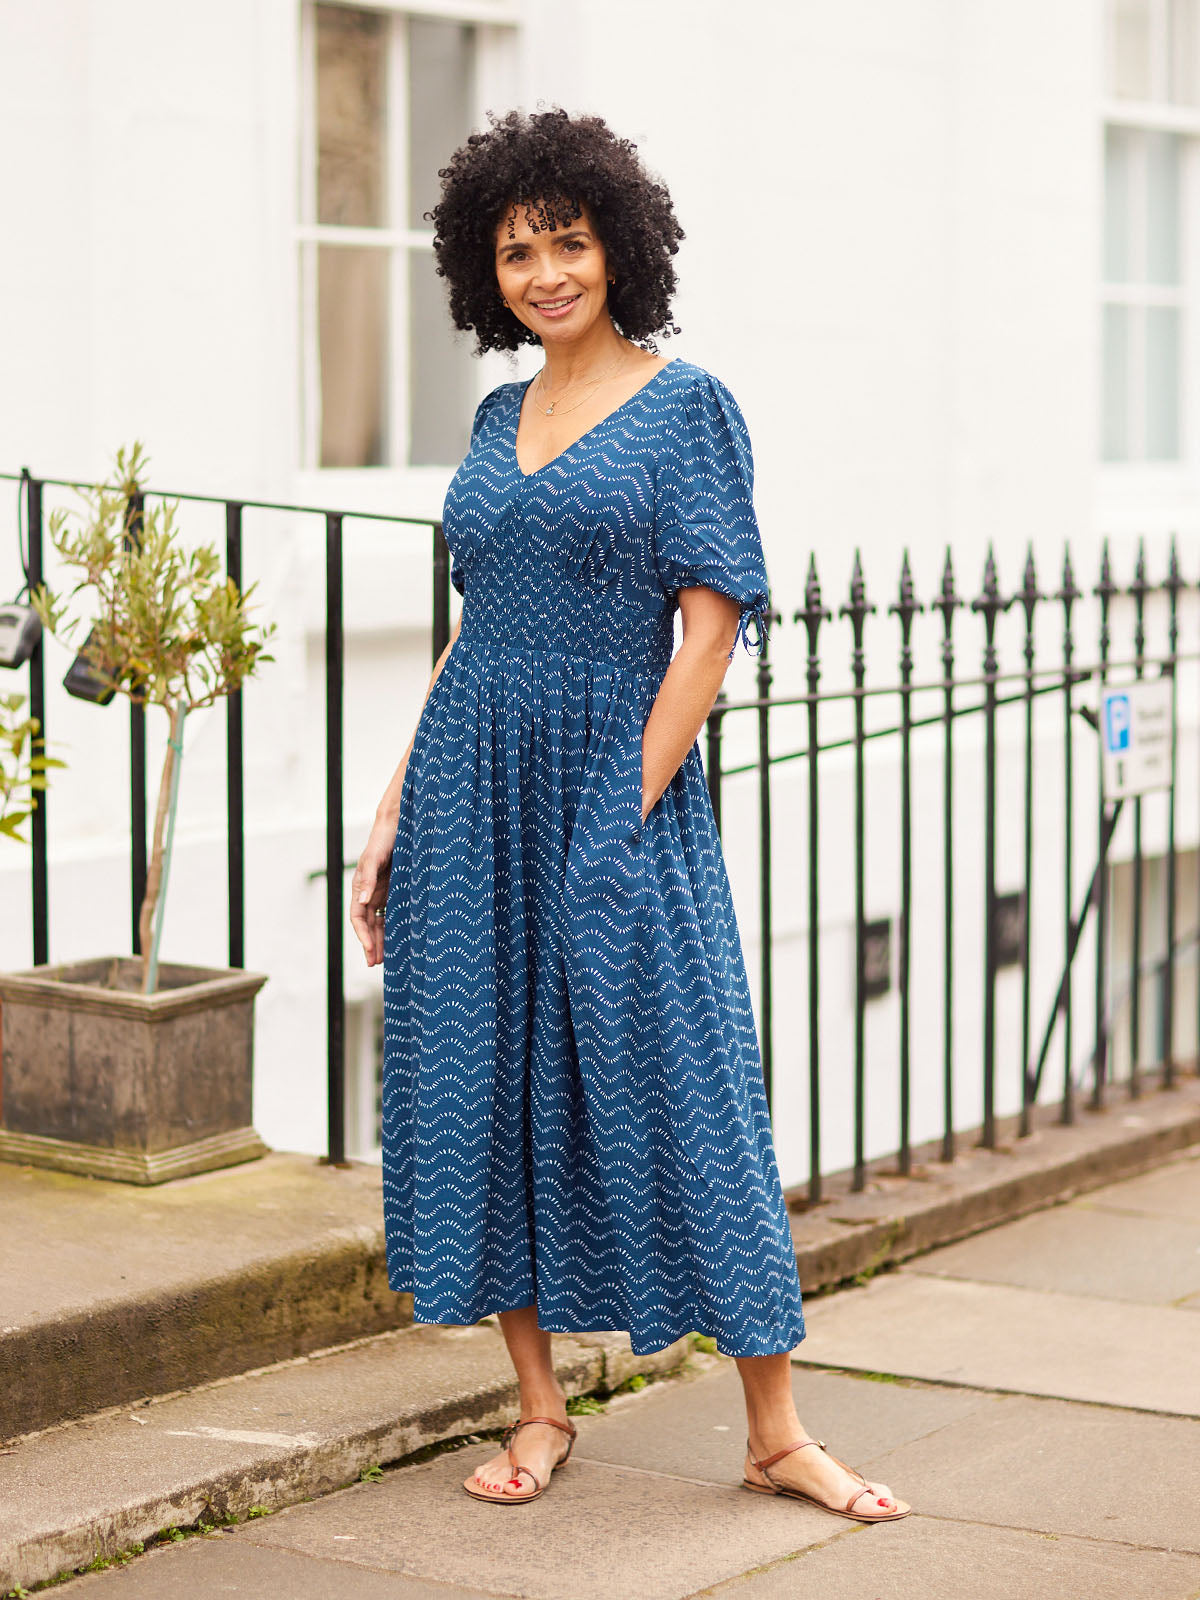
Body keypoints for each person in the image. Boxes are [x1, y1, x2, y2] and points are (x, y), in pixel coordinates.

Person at [350, 106, 910, 1523]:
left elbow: (708, 636)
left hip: (617, 786)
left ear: (620, 246)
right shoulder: (496, 415)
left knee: (689, 1087)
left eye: (569, 241)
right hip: (472, 791)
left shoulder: (687, 406)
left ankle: (776, 1428)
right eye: (516, 250)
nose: (545, 271)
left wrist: (616, 816)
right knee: (477, 1084)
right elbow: (475, 630)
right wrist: (395, 805)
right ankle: (539, 1408)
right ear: (489, 274)